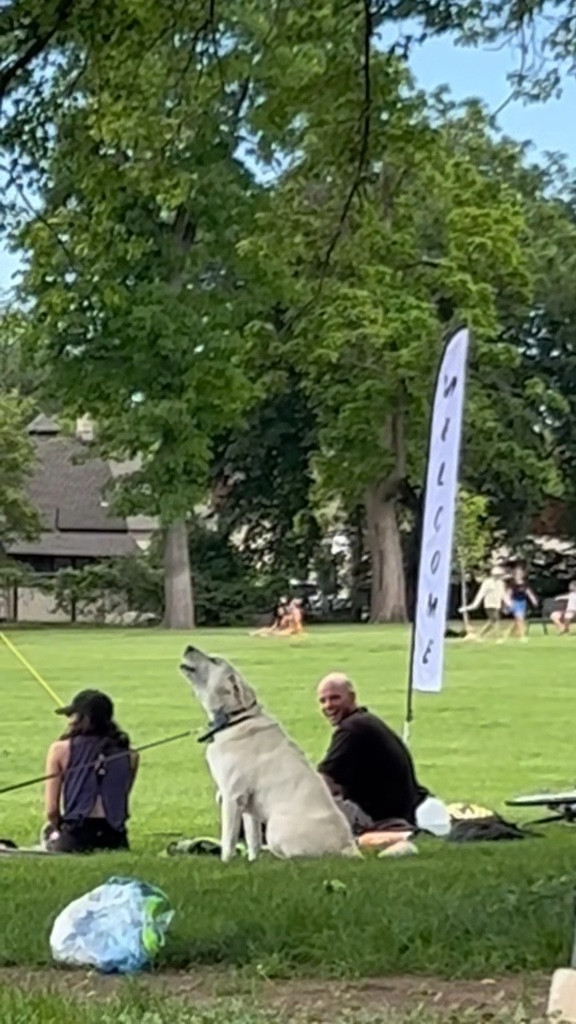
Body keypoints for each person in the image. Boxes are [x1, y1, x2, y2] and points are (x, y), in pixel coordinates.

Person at [316, 672, 429, 826]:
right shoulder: (366, 722)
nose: (328, 705)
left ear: (352, 697)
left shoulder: (352, 729)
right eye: (323, 701)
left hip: (380, 818)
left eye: (335, 698)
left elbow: (324, 782)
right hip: (404, 811)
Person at [43, 689, 139, 853]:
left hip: (77, 834)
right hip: (115, 835)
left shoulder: (59, 750)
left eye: (72, 715)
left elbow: (51, 810)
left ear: (82, 718)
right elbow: (122, 795)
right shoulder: (131, 755)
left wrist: (58, 828)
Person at [459, 566, 507, 640]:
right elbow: (481, 594)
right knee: (496, 619)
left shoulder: (501, 583)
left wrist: (507, 603)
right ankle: (499, 637)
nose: (499, 576)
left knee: (492, 621)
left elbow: (502, 594)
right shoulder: (487, 582)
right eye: (497, 575)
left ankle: (480, 635)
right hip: (489, 604)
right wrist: (474, 604)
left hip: (497, 604)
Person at [500, 566, 538, 643]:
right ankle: (522, 636)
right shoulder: (512, 583)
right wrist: (508, 604)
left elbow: (528, 592)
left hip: (523, 603)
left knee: (517, 621)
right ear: (515, 575)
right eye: (517, 573)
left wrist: (533, 600)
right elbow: (508, 594)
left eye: (520, 573)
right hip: (515, 602)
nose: (519, 575)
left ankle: (505, 635)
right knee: (520, 620)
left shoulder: (525, 583)